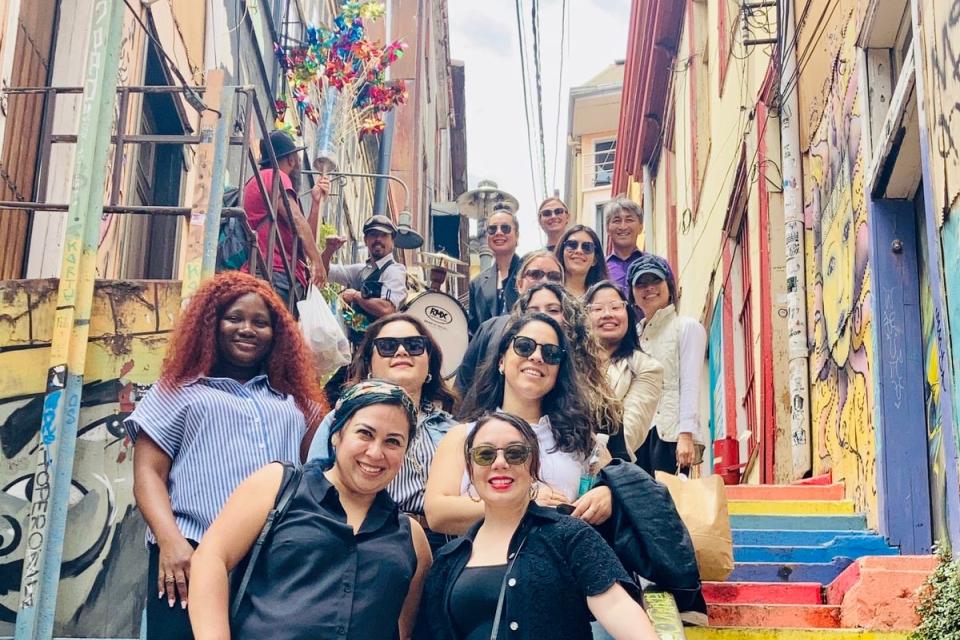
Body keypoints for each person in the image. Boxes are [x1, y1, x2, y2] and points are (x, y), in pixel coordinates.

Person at [124, 271, 326, 640]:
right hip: (191, 555)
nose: (247, 329)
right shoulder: (178, 392)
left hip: (272, 560)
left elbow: (323, 469)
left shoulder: (295, 403)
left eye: (260, 322)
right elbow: (148, 475)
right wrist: (170, 542)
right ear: (211, 325)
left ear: (276, 335)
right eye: (234, 318)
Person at [188, 380, 432, 639]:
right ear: (337, 435)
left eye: (393, 442)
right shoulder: (280, 487)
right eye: (365, 433)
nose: (375, 452)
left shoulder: (411, 538)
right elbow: (211, 558)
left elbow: (404, 630)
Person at [414, 412, 658, 640]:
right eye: (485, 455)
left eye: (515, 453)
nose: (500, 463)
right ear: (471, 469)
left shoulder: (570, 536)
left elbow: (616, 605)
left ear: (533, 466)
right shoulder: (448, 559)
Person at [426, 313, 612, 536]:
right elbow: (437, 513)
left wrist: (607, 494)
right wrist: (523, 501)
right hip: (488, 566)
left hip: (564, 562)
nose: (536, 357)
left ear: (558, 371)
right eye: (524, 346)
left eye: (550, 353)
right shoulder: (463, 435)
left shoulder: (580, 438)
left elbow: (615, 484)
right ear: (501, 361)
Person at [306, 313, 458, 552]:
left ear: (430, 362)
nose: (401, 352)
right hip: (367, 542)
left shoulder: (454, 430)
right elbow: (313, 489)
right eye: (387, 346)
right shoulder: (340, 419)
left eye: (414, 345)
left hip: (445, 547)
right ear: (369, 364)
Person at [629, 254, 707, 473]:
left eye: (655, 281)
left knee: (668, 502)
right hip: (637, 437)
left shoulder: (686, 327)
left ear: (669, 286)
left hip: (670, 435)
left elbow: (690, 384)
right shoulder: (632, 337)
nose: (649, 288)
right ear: (632, 294)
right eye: (641, 283)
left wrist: (686, 434)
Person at [455, 249, 563, 396]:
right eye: (535, 274)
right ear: (519, 284)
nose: (544, 281)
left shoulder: (572, 336)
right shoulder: (490, 329)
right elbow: (462, 385)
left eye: (554, 277)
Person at [242, 130, 329, 301]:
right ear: (291, 159)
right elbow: (296, 220)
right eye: (297, 159)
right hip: (276, 271)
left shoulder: (262, 179)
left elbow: (301, 239)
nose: (298, 164)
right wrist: (317, 262)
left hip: (274, 271)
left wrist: (316, 203)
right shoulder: (276, 176)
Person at [586, 280, 664, 464]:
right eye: (597, 309)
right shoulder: (569, 362)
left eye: (615, 307)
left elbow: (630, 434)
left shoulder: (647, 368)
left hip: (606, 465)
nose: (607, 314)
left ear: (628, 313)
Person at [322, 214, 408, 345]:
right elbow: (324, 272)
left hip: (380, 349)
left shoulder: (394, 271)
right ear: (366, 240)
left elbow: (387, 309)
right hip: (357, 349)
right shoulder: (361, 271)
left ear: (392, 241)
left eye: (384, 235)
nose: (378, 239)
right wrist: (329, 250)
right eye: (373, 235)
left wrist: (356, 296)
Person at [468, 205, 522, 334]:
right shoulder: (477, 284)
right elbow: (473, 330)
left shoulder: (531, 273)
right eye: (492, 229)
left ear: (517, 235)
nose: (499, 233)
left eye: (505, 228)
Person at [603, 197, 646, 299]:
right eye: (617, 221)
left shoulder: (657, 265)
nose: (623, 227)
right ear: (607, 229)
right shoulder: (599, 268)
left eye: (629, 220)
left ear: (641, 227)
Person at [555, 224, 610, 297]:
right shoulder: (550, 291)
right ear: (562, 252)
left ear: (595, 259)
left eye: (587, 247)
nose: (579, 251)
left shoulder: (604, 295)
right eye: (572, 245)